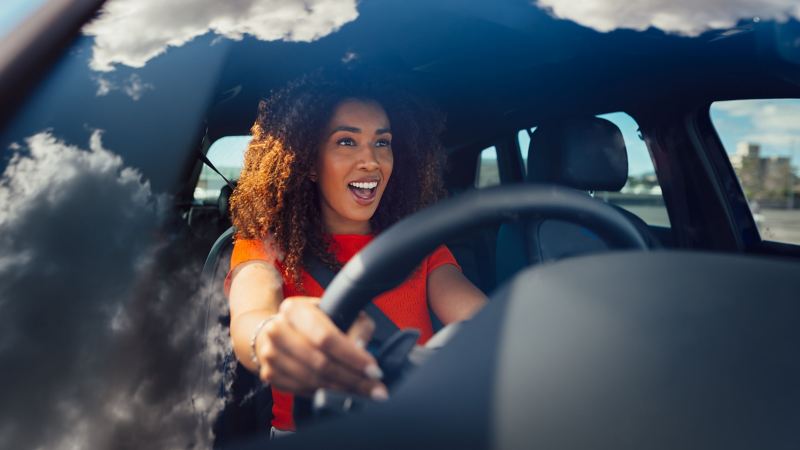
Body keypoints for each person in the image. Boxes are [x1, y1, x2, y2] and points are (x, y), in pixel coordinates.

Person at [225, 70, 486, 434]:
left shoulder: (419, 244)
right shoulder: (266, 244)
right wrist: (270, 337)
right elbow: (252, 314)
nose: (372, 161)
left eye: (383, 142)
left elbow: (482, 319)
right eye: (346, 142)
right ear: (310, 163)